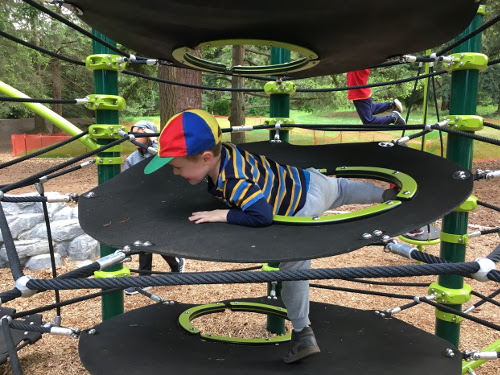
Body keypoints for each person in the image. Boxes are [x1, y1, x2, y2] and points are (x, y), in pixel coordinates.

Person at [145, 109, 397, 363]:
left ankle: (302, 333)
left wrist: (223, 214)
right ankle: (383, 196)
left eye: (177, 167)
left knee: (294, 267)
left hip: (302, 208)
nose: (175, 173)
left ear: (206, 157)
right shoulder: (228, 152)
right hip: (310, 181)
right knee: (342, 188)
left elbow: (262, 215)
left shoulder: (234, 181)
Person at [123, 120, 185, 295]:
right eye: (133, 132)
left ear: (149, 135)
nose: (134, 136)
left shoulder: (161, 152)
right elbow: (126, 182)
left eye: (139, 132)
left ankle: (152, 275)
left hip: (162, 203)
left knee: (153, 239)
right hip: (142, 204)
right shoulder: (132, 159)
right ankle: (160, 271)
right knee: (146, 238)